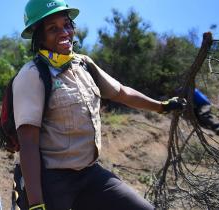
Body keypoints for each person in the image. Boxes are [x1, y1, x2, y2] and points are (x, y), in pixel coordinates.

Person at [13, 0, 185, 209]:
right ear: (39, 36)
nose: (64, 32)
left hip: (90, 174)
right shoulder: (32, 75)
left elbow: (121, 92)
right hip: (52, 181)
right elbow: (28, 143)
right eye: (52, 28)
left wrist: (161, 106)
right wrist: (36, 205)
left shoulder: (83, 65)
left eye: (67, 24)